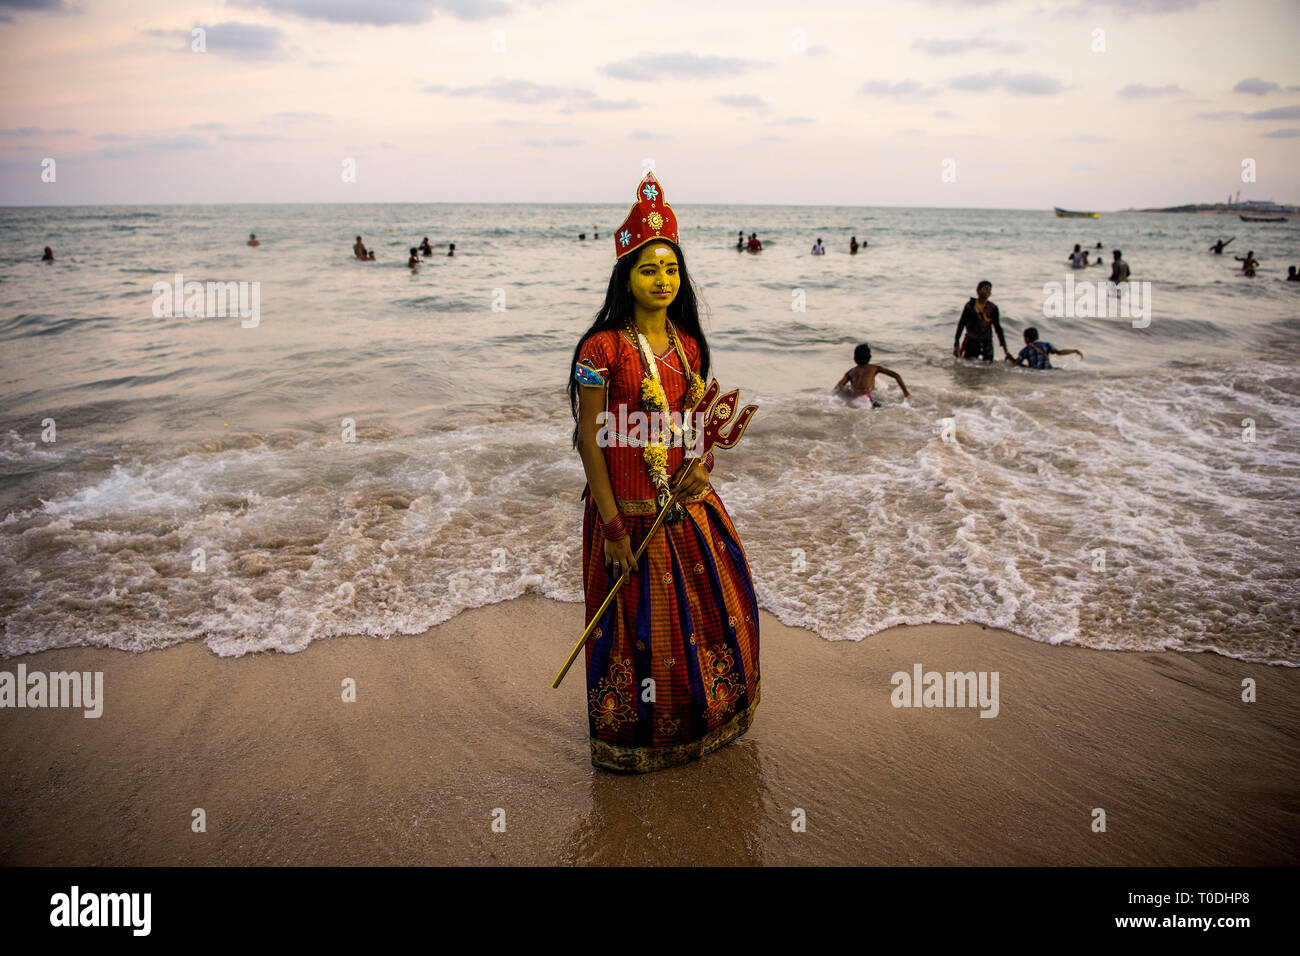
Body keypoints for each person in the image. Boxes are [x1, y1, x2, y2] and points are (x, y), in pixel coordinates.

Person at [568, 171, 759, 773]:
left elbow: (692, 423)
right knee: (636, 632)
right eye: (649, 269)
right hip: (625, 515)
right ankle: (633, 744)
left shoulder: (688, 346)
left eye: (671, 269)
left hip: (685, 506)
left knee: (706, 619)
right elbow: (589, 439)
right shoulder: (601, 350)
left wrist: (702, 465)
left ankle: (703, 725)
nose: (662, 280)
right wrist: (611, 527)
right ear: (626, 276)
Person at [832, 343, 910, 407]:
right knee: (888, 407)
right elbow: (896, 376)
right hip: (866, 400)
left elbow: (839, 387)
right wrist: (906, 393)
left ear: (854, 358)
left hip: (853, 400)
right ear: (870, 357)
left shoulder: (850, 372)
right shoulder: (874, 368)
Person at [953, 280, 1009, 362]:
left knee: (988, 366)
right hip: (971, 341)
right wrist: (956, 343)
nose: (987, 291)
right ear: (978, 291)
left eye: (989, 290)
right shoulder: (970, 306)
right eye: (985, 289)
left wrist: (1005, 349)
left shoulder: (993, 308)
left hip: (987, 342)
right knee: (967, 365)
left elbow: (998, 328)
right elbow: (961, 324)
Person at [1006, 326, 1082, 369]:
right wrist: (1075, 351)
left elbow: (1017, 364)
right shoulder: (1046, 345)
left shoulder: (1025, 350)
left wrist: (1010, 358)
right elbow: (1059, 353)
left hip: (1036, 374)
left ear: (1027, 339)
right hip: (1048, 371)